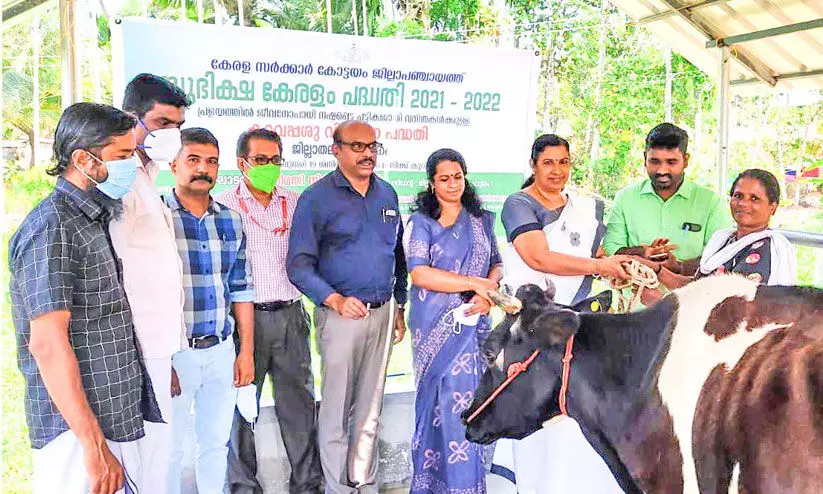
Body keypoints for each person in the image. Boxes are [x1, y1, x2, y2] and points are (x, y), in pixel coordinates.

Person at [8, 102, 161, 494]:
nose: (131, 166)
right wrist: (92, 445)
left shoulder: (91, 219)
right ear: (84, 159)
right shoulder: (52, 227)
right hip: (77, 435)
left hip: (113, 416)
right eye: (123, 156)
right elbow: (47, 344)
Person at [491, 134, 630, 494]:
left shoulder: (585, 208)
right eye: (548, 162)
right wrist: (600, 265)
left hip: (579, 325)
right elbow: (539, 258)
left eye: (564, 162)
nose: (557, 170)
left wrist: (628, 260)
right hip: (533, 328)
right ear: (534, 165)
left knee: (576, 412)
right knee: (534, 409)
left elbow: (598, 253)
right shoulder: (518, 204)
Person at [287, 120, 407, 494]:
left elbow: (397, 256)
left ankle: (363, 484)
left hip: (384, 314)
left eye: (372, 146)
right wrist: (335, 299)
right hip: (340, 316)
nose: (367, 153)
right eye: (357, 146)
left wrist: (399, 305)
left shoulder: (386, 193)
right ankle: (339, 488)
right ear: (336, 150)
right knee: (337, 410)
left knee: (370, 410)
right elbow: (298, 264)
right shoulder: (317, 198)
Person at [218, 128, 323, 494]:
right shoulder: (224, 205)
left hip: (291, 315)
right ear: (241, 163)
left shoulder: (294, 203)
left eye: (276, 160)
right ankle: (242, 487)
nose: (269, 167)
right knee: (241, 409)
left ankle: (308, 485)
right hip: (243, 323)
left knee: (300, 407)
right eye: (261, 160)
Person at [404, 149, 503, 493]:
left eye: (457, 177)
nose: (452, 184)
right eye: (444, 178)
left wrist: (484, 294)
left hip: (475, 324)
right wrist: (474, 284)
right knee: (440, 399)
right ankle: (433, 484)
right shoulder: (421, 222)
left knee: (473, 401)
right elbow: (419, 273)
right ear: (432, 184)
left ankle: (467, 484)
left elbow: (497, 264)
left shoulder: (481, 220)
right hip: (435, 326)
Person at [111, 73, 190, 493]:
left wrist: (169, 354)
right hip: (129, 349)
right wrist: (135, 351)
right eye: (161, 124)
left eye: (177, 127)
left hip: (158, 348)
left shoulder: (149, 174)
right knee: (137, 460)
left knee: (158, 455)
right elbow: (114, 271)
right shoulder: (117, 182)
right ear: (131, 118)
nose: (170, 135)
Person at [165, 128, 256, 494]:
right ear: (173, 164)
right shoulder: (157, 218)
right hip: (175, 353)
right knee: (169, 449)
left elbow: (241, 289)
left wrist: (245, 351)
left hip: (221, 349)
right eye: (194, 160)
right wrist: (161, 359)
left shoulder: (231, 220)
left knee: (215, 445)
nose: (203, 169)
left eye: (211, 162)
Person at [640, 169, 796, 302]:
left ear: (772, 207)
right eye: (738, 196)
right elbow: (698, 285)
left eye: (754, 198)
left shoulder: (764, 251)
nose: (743, 203)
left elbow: (728, 309)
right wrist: (655, 269)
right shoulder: (725, 241)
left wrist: (659, 303)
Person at [603, 123, 730, 275]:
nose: (662, 170)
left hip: (690, 297)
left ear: (686, 160)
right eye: (654, 161)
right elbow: (611, 249)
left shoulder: (710, 203)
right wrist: (643, 252)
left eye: (671, 162)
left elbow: (721, 256)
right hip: (635, 297)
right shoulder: (625, 198)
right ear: (645, 158)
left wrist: (678, 267)